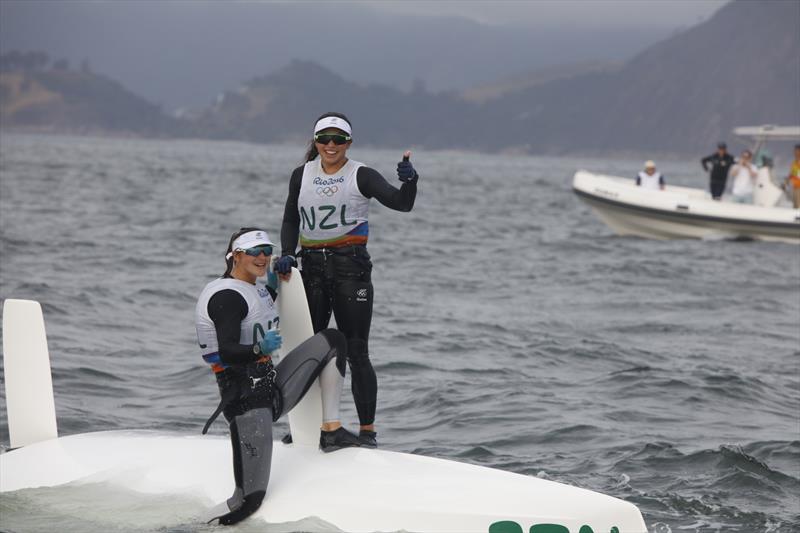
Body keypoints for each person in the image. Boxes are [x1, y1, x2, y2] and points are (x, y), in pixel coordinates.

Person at [195, 227, 361, 526]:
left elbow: (260, 308)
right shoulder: (226, 298)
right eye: (256, 252)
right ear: (237, 256)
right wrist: (259, 347)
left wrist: (278, 283)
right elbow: (227, 350)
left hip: (271, 389)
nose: (264, 257)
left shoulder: (253, 287)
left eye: (268, 251)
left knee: (333, 341)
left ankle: (331, 430)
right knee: (249, 501)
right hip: (246, 402)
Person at [275, 112, 418, 449]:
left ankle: (367, 432)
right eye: (324, 139)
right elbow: (290, 217)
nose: (330, 145)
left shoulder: (361, 175)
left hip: (350, 269)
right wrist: (286, 252)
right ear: (316, 142)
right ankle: (306, 427)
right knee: (308, 350)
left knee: (356, 351)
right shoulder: (301, 175)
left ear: (348, 143)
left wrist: (410, 181)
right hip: (310, 269)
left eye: (338, 140)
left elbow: (402, 204)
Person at [785, 144, 800, 208]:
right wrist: (786, 181)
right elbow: (792, 174)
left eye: (796, 151)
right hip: (794, 187)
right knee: (795, 206)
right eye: (794, 151)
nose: (795, 152)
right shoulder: (794, 162)